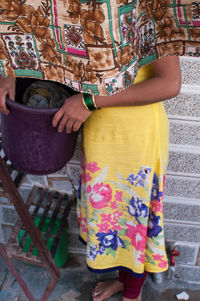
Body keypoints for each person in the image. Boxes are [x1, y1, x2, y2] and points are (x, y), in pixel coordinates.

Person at [0, 56, 181, 301]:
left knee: (135, 222)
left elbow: (169, 83)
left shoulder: (152, 15)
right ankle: (122, 280)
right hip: (99, 131)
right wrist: (9, 73)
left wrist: (89, 101)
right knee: (115, 220)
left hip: (137, 138)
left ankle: (132, 295)